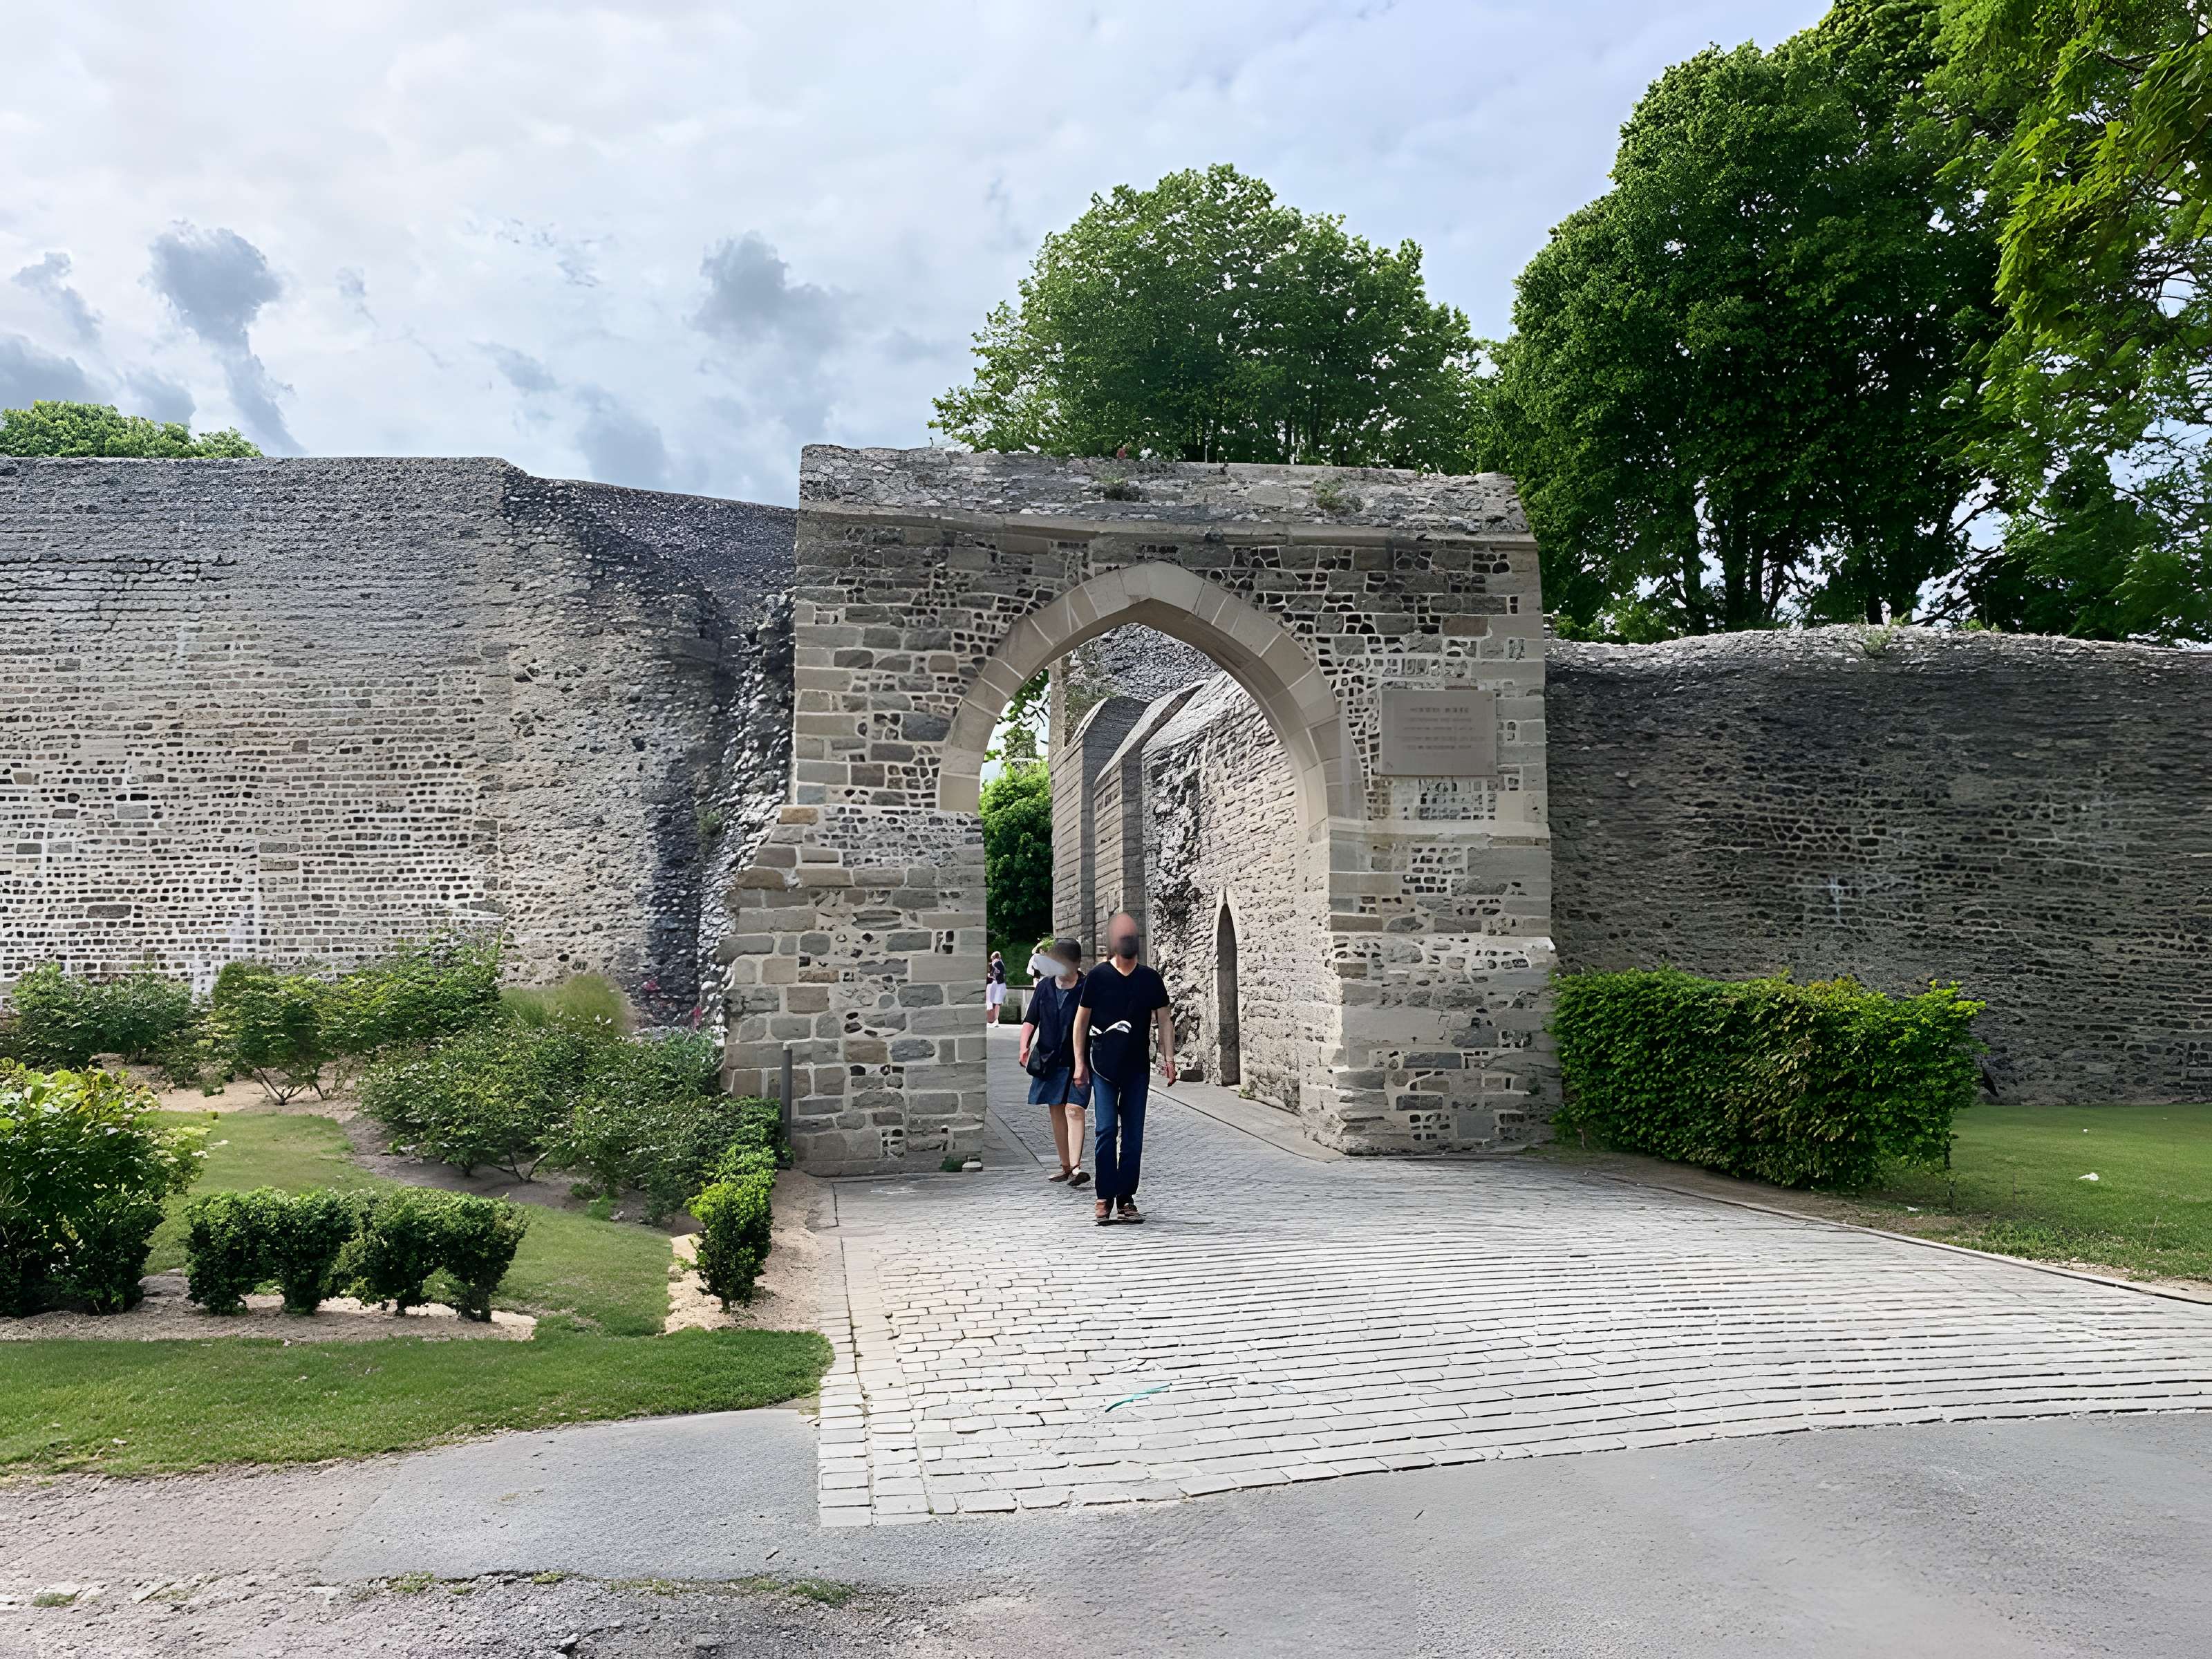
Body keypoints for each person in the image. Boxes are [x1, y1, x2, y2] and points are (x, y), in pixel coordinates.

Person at [1071, 910, 1175, 1226]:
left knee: (1132, 1136)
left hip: (1136, 1069)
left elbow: (1165, 1019)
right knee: (1105, 1131)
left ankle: (1126, 1197)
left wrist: (1169, 1059)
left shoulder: (1150, 979)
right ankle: (1104, 1196)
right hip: (1102, 1067)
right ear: (1112, 943)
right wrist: (1079, 1062)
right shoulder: (1099, 977)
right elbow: (1081, 1021)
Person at [1018, 939, 1091, 1188]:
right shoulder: (1045, 987)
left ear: (1075, 963)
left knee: (1074, 1108)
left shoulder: (1087, 987)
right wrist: (1024, 1046)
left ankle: (1077, 1166)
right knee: (1056, 1110)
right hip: (1049, 1058)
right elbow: (1031, 1020)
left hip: (1079, 1059)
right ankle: (1065, 1166)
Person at [984, 950, 1007, 1024]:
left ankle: (994, 1019)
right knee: (996, 1002)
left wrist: (990, 975)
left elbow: (994, 974)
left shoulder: (996, 963)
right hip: (999, 983)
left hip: (997, 984)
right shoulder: (1001, 963)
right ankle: (995, 1019)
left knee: (995, 1002)